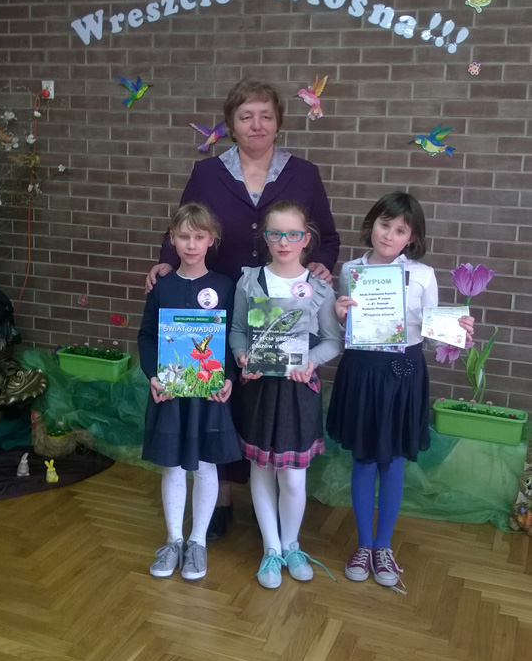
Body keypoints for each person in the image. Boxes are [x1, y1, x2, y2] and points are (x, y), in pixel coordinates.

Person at [145, 78, 340, 537]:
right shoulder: (207, 173)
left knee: (263, 396)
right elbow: (185, 224)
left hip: (279, 304)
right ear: (231, 124)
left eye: (266, 116)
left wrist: (321, 265)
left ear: (279, 122)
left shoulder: (304, 173)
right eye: (246, 116)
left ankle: (270, 501)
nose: (256, 124)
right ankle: (220, 500)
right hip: (217, 301)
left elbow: (327, 237)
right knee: (220, 391)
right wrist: (166, 263)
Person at [326, 191, 475, 592]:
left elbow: (431, 328)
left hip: (402, 372)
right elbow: (345, 329)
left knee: (391, 461)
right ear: (371, 225)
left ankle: (383, 547)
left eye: (400, 230)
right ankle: (363, 545)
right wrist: (339, 315)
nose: (389, 235)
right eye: (384, 224)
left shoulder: (423, 274)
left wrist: (456, 331)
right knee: (363, 459)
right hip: (362, 371)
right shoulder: (351, 270)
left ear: (412, 238)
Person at [229, 201, 342, 588]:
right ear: (265, 237)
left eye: (293, 234)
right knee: (261, 470)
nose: (283, 241)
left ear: (306, 239)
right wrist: (241, 355)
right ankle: (271, 549)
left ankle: (292, 544)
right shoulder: (250, 281)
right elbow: (237, 331)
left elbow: (333, 341)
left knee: (292, 479)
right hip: (259, 390)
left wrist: (311, 360)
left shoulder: (319, 288)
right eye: (275, 233)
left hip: (298, 392)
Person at [138, 203, 241, 582]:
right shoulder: (161, 286)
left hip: (208, 395)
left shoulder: (225, 286)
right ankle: (174, 540)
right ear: (172, 239)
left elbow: (231, 339)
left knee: (206, 467)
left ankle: (198, 542)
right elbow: (147, 336)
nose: (191, 244)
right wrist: (153, 375)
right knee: (173, 467)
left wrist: (229, 377)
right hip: (170, 393)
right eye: (184, 236)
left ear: (211, 240)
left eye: (199, 237)